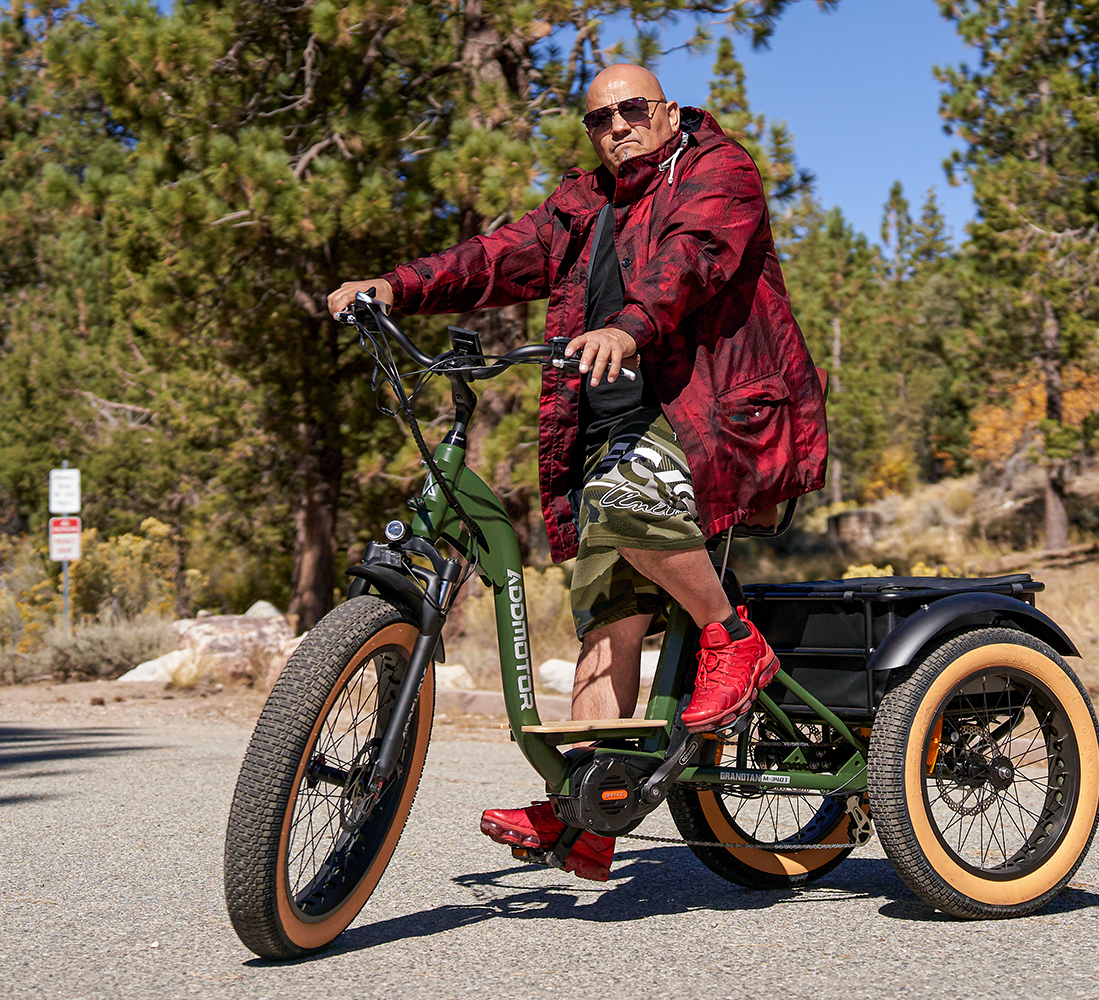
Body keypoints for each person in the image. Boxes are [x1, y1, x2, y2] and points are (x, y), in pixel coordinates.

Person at [326, 64, 827, 881]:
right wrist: (395, 286)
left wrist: (629, 326)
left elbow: (691, 259)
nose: (618, 126)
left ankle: (734, 639)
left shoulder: (719, 171)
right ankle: (589, 812)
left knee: (628, 503)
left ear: (665, 110)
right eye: (600, 118)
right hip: (613, 430)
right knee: (604, 628)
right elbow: (493, 259)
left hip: (713, 417)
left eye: (633, 109)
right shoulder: (582, 204)